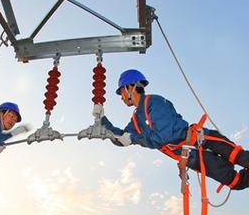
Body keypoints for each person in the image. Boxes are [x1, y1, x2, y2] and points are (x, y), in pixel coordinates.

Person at [101, 69, 249, 190]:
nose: (121, 97)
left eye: (121, 92)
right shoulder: (136, 119)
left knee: (242, 158)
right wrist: (102, 123)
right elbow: (122, 138)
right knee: (237, 182)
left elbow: (162, 138)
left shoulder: (154, 102)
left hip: (203, 141)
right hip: (193, 157)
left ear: (130, 87)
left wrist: (133, 139)